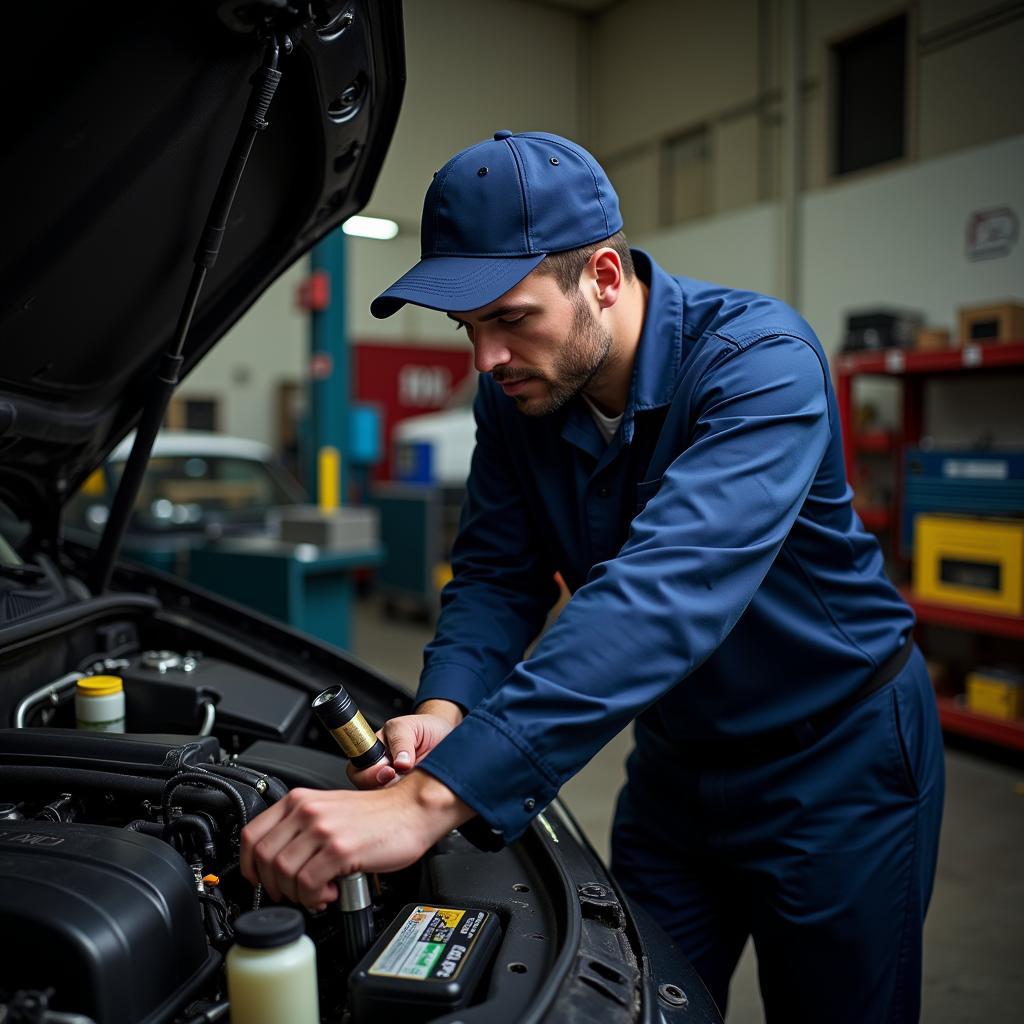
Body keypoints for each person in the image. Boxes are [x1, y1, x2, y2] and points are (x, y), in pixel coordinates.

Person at [241, 130, 944, 1022]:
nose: (485, 361)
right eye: (468, 329)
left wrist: (433, 798)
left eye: (508, 318)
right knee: (638, 1000)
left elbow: (668, 591)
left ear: (603, 278)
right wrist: (444, 710)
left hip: (838, 765)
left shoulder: (760, 364)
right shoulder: (518, 399)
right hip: (677, 769)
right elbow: (497, 576)